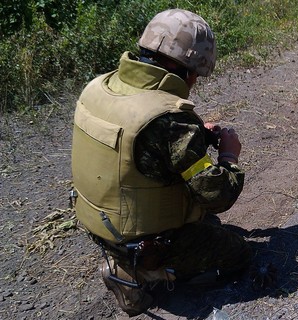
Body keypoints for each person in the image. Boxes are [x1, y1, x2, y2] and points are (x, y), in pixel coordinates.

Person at [71, 9, 252, 316]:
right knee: (240, 254)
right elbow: (218, 196)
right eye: (196, 74)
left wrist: (195, 138)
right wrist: (229, 154)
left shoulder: (99, 86)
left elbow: (137, 149)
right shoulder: (171, 122)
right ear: (187, 69)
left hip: (97, 223)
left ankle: (130, 261)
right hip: (143, 244)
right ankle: (142, 274)